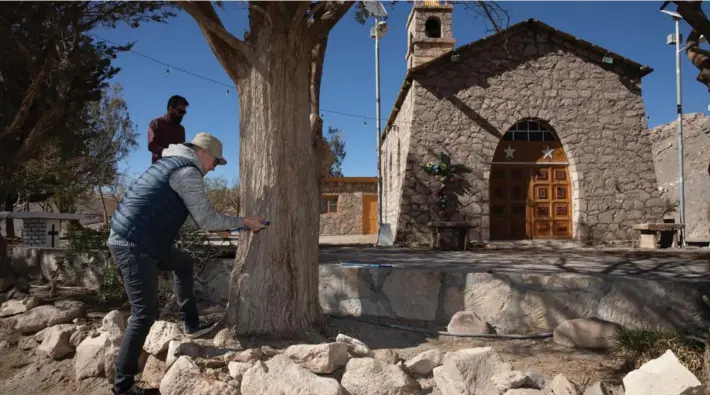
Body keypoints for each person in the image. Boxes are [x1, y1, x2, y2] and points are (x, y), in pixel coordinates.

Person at [107, 133, 267, 395]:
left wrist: (222, 225)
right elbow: (205, 219)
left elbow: (189, 218)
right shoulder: (187, 172)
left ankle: (190, 324)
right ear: (202, 152)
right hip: (134, 246)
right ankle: (123, 386)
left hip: (144, 242)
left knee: (183, 261)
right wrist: (243, 221)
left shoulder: (171, 165)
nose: (214, 167)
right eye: (215, 161)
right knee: (143, 315)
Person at [147, 95, 189, 164]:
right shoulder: (157, 123)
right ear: (171, 108)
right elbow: (152, 145)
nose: (182, 115)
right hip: (160, 167)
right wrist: (168, 153)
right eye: (180, 111)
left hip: (177, 168)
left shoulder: (181, 129)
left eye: (184, 113)